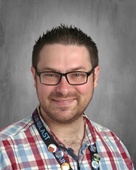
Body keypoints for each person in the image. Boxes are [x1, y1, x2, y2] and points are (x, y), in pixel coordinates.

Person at [0, 25, 134, 170]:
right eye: (51, 75)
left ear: (95, 77)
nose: (63, 90)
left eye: (77, 74)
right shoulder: (4, 152)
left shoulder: (116, 147)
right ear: (34, 77)